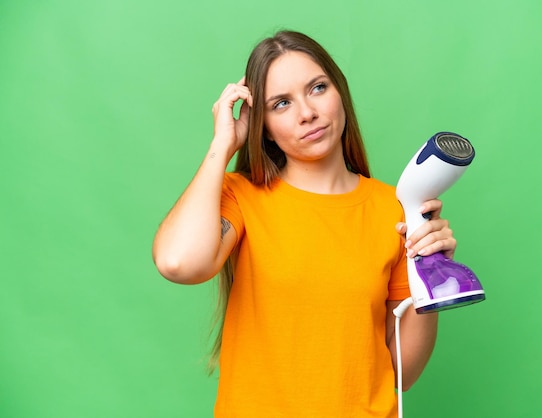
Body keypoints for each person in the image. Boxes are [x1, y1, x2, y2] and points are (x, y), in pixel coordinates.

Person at [152, 30, 457, 418]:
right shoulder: (241, 197)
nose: (306, 113)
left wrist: (431, 277)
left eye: (317, 88)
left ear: (339, 92)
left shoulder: (394, 208)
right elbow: (179, 262)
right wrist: (223, 144)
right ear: (263, 125)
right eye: (281, 104)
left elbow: (401, 374)